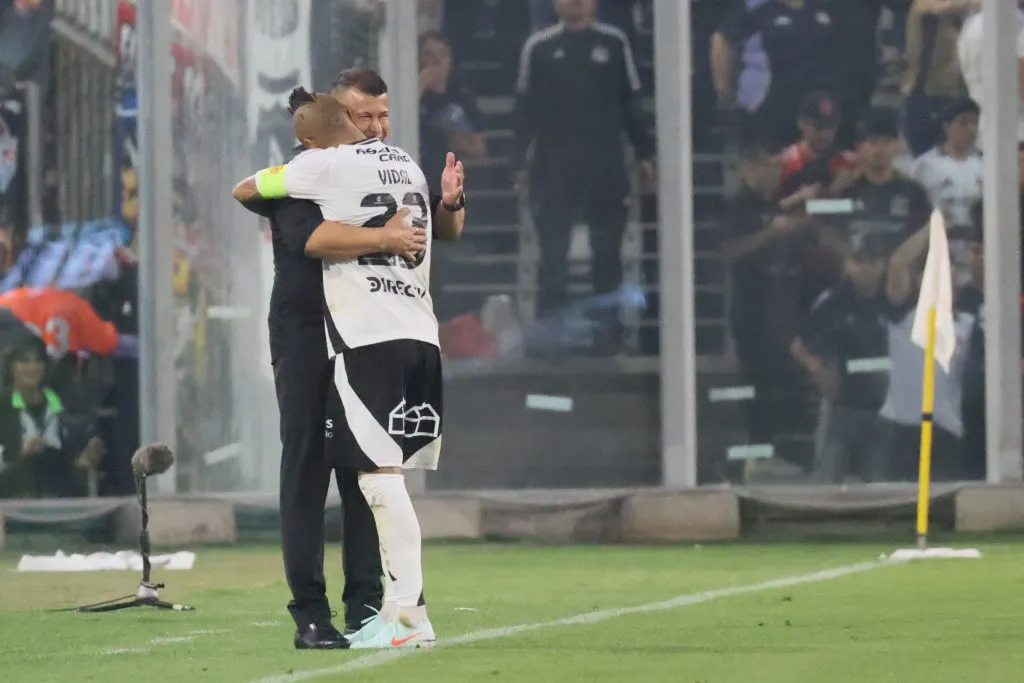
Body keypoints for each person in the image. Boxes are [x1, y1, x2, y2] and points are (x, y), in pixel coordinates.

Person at [235, 88, 462, 649]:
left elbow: (432, 229)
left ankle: (369, 606)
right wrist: (385, 236)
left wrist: (449, 206)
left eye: (384, 115)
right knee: (309, 466)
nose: (375, 128)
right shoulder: (306, 172)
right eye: (364, 117)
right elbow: (308, 238)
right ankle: (311, 613)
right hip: (309, 337)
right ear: (338, 119)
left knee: (369, 471)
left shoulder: (376, 168)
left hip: (367, 334)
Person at [515, 0, 655, 351]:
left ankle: (609, 337)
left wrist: (644, 154)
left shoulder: (614, 42)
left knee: (607, 256)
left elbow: (630, 104)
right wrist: (518, 165)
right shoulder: (538, 47)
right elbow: (525, 112)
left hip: (605, 168)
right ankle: (551, 340)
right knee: (553, 258)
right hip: (553, 168)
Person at [0, 338, 103, 498]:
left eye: (38, 361)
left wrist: (83, 460)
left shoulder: (61, 402)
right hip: (14, 497)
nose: (32, 367)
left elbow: (73, 455)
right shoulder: (3, 405)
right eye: (24, 361)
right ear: (11, 366)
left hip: (60, 496)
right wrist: (17, 454)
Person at [911, 99, 982, 285]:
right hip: (939, 247)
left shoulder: (985, 164)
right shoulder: (925, 166)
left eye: (974, 123)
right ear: (946, 126)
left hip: (976, 251)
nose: (971, 129)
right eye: (963, 123)